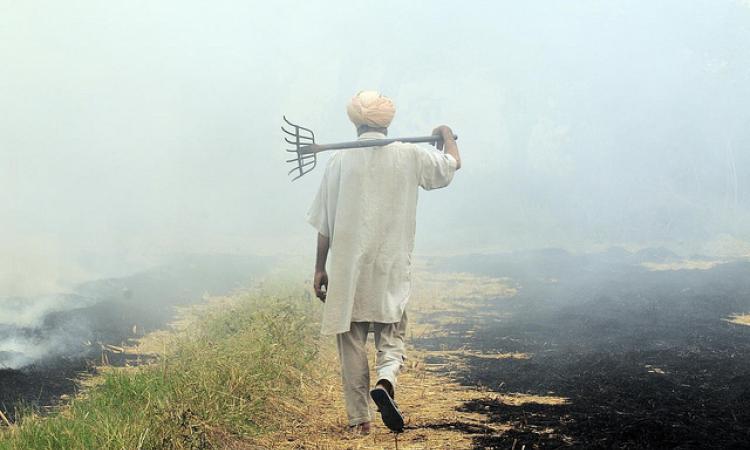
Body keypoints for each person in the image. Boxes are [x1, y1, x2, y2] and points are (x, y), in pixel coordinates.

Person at [306, 90, 461, 434]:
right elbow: (452, 167)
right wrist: (447, 135)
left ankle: (360, 420)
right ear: (386, 123)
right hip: (390, 265)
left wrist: (320, 267)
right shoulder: (410, 155)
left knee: (350, 338)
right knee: (392, 331)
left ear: (356, 123)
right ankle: (386, 381)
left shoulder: (339, 162)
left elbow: (324, 225)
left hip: (349, 270)